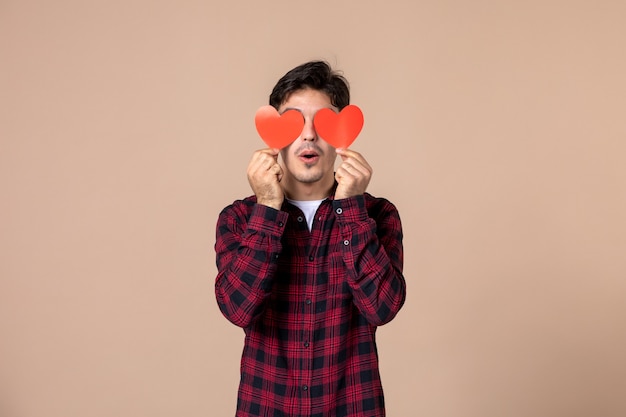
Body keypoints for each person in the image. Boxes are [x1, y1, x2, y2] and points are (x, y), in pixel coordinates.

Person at [214, 60, 406, 417]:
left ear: (343, 132)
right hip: (265, 407)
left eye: (323, 122)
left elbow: (382, 308)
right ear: (272, 132)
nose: (308, 135)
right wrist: (268, 207)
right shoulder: (239, 218)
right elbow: (239, 309)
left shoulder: (377, 216)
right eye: (294, 121)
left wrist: (351, 209)